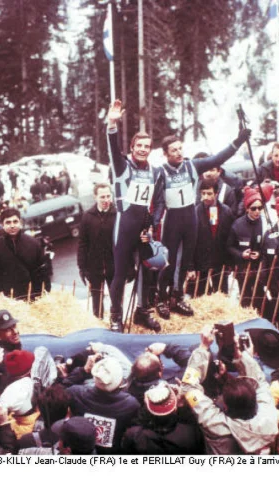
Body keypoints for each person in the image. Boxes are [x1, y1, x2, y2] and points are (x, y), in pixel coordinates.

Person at [155, 127, 250, 319]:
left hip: (190, 219)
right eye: (173, 150)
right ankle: (161, 297)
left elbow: (217, 159)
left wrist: (238, 141)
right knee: (169, 261)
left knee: (185, 260)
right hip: (172, 219)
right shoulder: (161, 172)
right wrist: (154, 221)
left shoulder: (192, 165)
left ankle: (178, 296)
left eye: (180, 148)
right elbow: (157, 201)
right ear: (165, 154)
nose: (179, 152)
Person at [105, 100, 165, 332]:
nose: (143, 149)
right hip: (124, 224)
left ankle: (142, 311)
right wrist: (112, 122)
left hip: (142, 227)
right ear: (132, 147)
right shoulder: (123, 166)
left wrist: (152, 225)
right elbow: (112, 146)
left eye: (147, 146)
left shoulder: (154, 171)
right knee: (120, 273)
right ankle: (116, 316)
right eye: (139, 145)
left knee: (147, 270)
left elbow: (157, 202)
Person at [180, 326, 278, 454]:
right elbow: (259, 380)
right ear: (255, 401)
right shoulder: (268, 416)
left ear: (224, 407)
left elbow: (188, 387)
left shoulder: (215, 425)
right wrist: (239, 354)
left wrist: (203, 348)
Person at [0, 207, 51, 300]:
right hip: (9, 300)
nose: (12, 225)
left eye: (15, 221)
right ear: (2, 225)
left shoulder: (33, 243)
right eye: (8, 222)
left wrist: (45, 292)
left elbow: (43, 270)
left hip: (34, 297)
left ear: (20, 222)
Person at [77, 183, 116, 319]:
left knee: (116, 298)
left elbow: (125, 243)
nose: (106, 200)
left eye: (108, 196)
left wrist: (128, 267)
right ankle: (98, 322)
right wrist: (82, 267)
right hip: (94, 267)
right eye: (102, 197)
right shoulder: (87, 217)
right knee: (96, 301)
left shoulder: (118, 215)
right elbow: (82, 244)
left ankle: (116, 320)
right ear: (95, 197)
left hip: (113, 266)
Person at [193, 178, 235, 296]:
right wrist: (190, 266)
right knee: (201, 295)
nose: (206, 197)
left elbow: (230, 238)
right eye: (203, 193)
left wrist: (230, 262)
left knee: (221, 294)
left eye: (209, 193)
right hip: (201, 262)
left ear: (216, 194)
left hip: (220, 262)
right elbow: (191, 241)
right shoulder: (196, 212)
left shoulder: (226, 211)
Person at [227, 187, 266, 308]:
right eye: (253, 208)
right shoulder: (237, 225)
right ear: (247, 208)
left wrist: (259, 254)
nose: (257, 211)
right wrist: (241, 254)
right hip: (243, 270)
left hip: (259, 269)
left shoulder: (265, 223)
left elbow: (268, 245)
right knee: (245, 298)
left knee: (260, 298)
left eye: (260, 208)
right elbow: (229, 246)